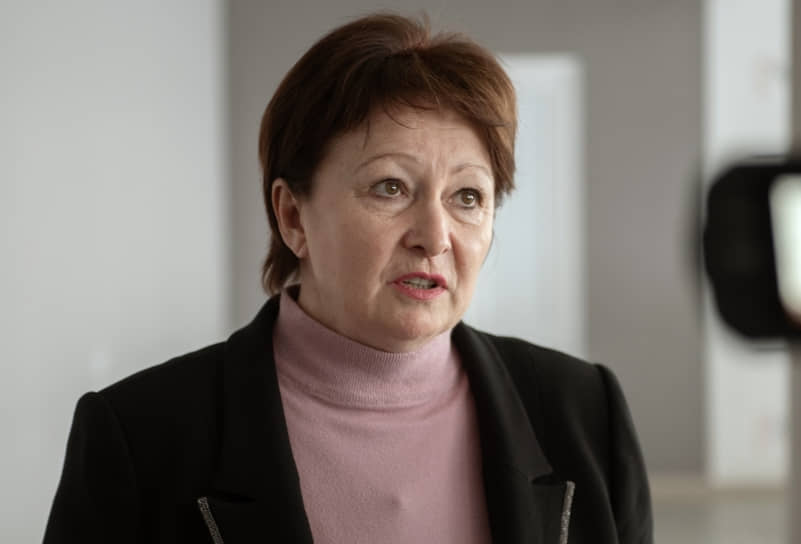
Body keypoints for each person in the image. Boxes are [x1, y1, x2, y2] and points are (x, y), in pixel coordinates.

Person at [43, 13, 652, 544]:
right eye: (390, 187)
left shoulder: (584, 411)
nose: (435, 235)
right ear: (292, 216)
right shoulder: (139, 436)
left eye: (467, 196)